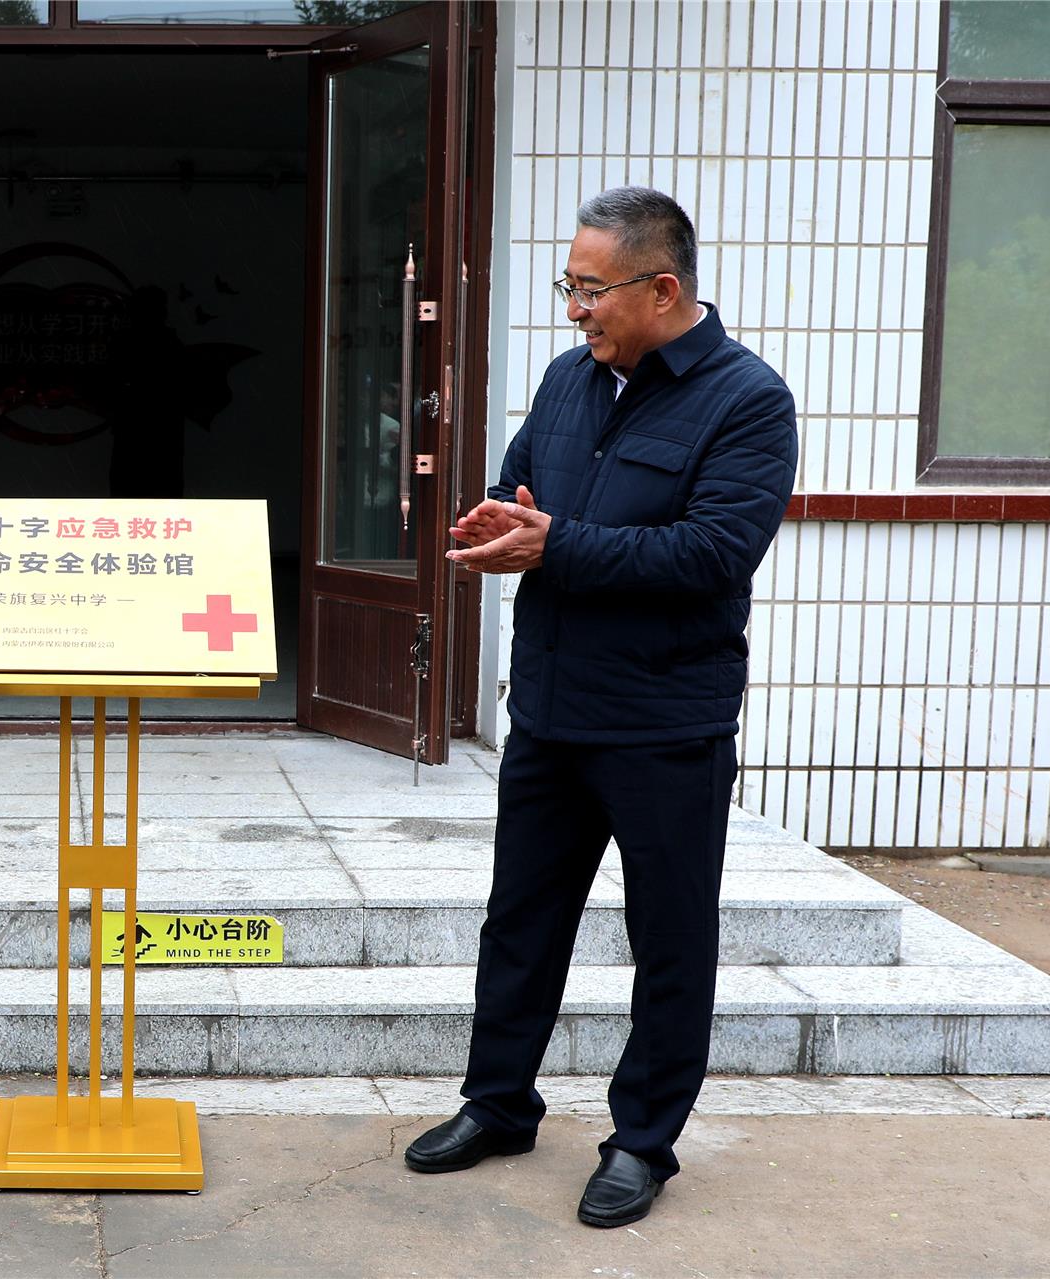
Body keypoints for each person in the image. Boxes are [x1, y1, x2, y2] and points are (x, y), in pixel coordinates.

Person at [405, 188, 797, 1227]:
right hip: (550, 710)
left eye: (590, 289)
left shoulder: (747, 401)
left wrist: (556, 544)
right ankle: (497, 1105)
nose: (575, 310)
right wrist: (502, 519)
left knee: (670, 939)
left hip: (667, 725)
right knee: (521, 923)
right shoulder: (566, 383)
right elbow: (527, 489)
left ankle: (642, 1142)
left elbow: (714, 552)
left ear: (661, 288)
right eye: (568, 287)